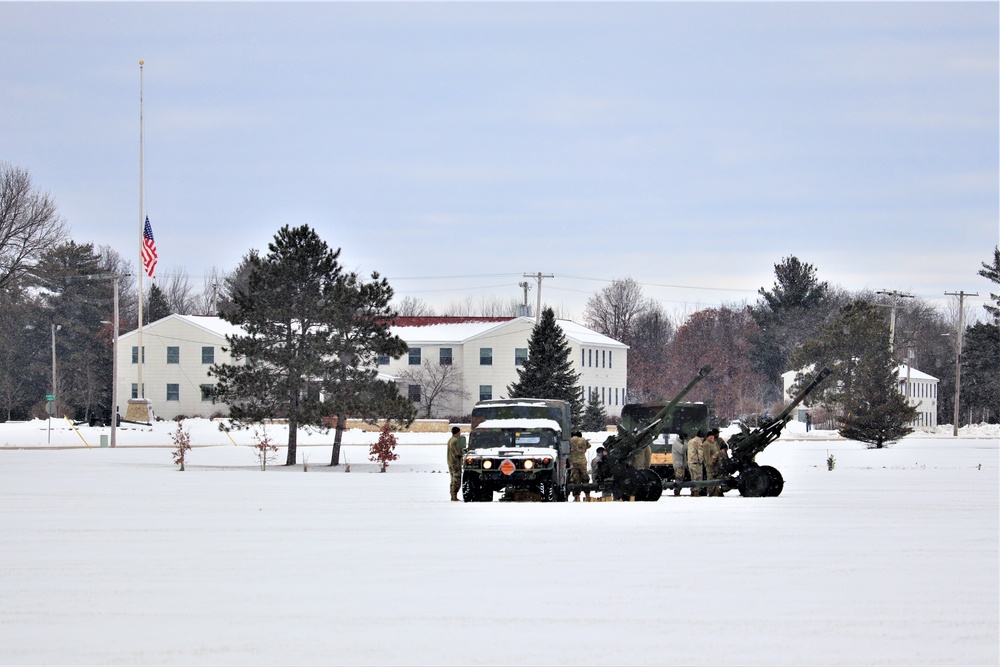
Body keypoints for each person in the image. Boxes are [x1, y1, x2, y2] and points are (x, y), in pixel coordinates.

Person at [569, 431, 591, 501]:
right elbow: (588, 446)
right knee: (585, 478)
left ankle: (576, 496)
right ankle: (587, 495)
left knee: (575, 479)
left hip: (573, 462)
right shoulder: (583, 440)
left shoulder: (570, 440)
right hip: (582, 462)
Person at [446, 426, 467, 501]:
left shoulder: (450, 440)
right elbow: (457, 452)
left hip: (450, 462)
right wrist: (465, 452)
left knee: (453, 479)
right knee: (456, 479)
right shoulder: (455, 441)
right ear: (457, 432)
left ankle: (453, 495)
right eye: (459, 432)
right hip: (455, 462)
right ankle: (454, 496)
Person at [703, 429, 722, 496]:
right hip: (710, 464)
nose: (712, 437)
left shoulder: (714, 443)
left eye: (712, 436)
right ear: (707, 437)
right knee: (710, 478)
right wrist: (709, 463)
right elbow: (706, 456)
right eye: (710, 436)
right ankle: (710, 492)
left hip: (716, 464)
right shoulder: (706, 444)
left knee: (716, 477)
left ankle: (716, 491)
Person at [686, 430, 705, 496]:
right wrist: (701, 461)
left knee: (692, 477)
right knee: (698, 477)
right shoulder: (699, 442)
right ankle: (696, 492)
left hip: (690, 462)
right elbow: (700, 453)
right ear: (702, 437)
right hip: (696, 462)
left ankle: (692, 491)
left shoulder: (690, 441)